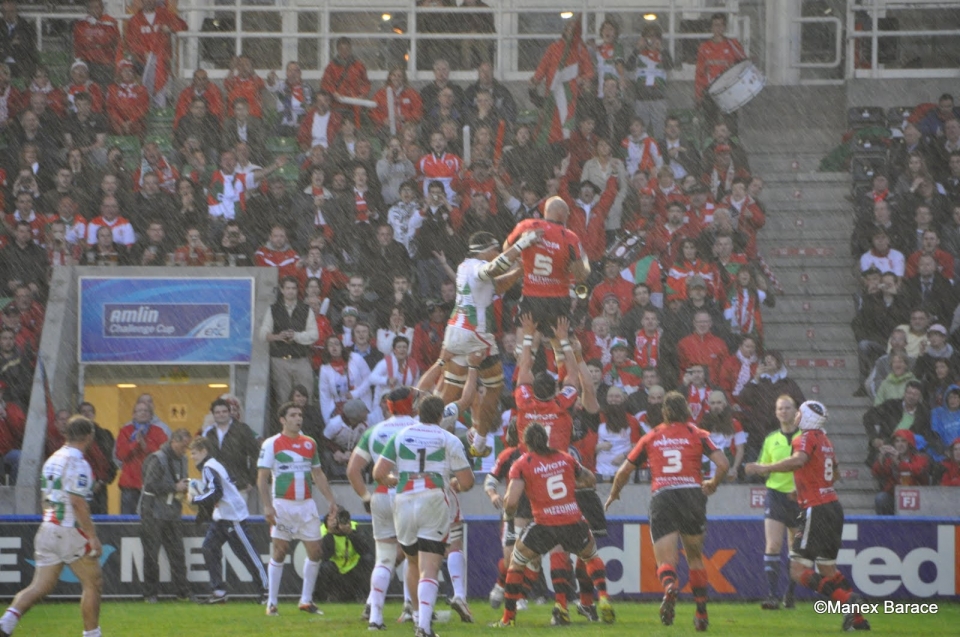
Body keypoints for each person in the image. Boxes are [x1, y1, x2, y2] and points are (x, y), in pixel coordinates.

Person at [606, 390, 728, 631]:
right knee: (695, 558)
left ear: (664, 412)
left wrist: (614, 493)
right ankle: (701, 613)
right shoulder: (698, 434)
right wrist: (713, 484)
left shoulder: (652, 436)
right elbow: (723, 464)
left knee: (665, 560)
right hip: (692, 495)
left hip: (664, 497)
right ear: (687, 411)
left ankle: (670, 586)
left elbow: (623, 471)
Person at [746, 402, 872, 632]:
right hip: (832, 506)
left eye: (799, 413)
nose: (796, 416)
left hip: (816, 508)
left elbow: (799, 460)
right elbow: (834, 474)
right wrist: (807, 487)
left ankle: (848, 601)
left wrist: (766, 468)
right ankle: (858, 620)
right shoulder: (825, 441)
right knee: (828, 570)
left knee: (797, 570)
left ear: (807, 418)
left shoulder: (805, 437)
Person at [491, 422, 614, 628]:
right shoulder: (566, 458)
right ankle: (602, 597)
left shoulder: (522, 463)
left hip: (544, 525)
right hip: (573, 521)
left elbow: (511, 502)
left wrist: (508, 516)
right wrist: (569, 484)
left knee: (517, 563)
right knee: (591, 556)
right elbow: (590, 479)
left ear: (526, 442)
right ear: (546, 439)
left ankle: (508, 619)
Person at [372, 395, 475, 637]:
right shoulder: (447, 438)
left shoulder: (400, 435)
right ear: (441, 416)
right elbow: (467, 481)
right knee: (430, 567)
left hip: (404, 499)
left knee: (412, 562)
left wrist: (394, 479)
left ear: (419, 413)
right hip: (433, 499)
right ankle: (424, 628)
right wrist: (455, 483)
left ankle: (418, 618)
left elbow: (378, 473)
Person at [0, 416, 102, 637]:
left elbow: (45, 496)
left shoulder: (52, 459)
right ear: (89, 436)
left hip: (48, 527)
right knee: (93, 583)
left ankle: (6, 623)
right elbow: (77, 502)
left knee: (40, 586)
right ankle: (92, 634)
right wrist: (92, 536)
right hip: (68, 528)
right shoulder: (78, 463)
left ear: (67, 434)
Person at [441, 230, 537, 455]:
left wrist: (519, 270)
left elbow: (496, 286)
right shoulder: (479, 266)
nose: (498, 253)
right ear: (485, 250)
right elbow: (493, 269)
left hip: (454, 333)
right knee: (494, 386)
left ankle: (428, 429)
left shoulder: (464, 267)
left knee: (450, 391)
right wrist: (522, 244)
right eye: (495, 249)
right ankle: (480, 439)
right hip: (475, 334)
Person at [257, 402, 338, 616]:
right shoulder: (272, 443)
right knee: (280, 551)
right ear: (282, 420)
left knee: (316, 551)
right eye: (292, 415)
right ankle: (272, 602)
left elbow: (317, 473)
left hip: (306, 506)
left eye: (299, 415)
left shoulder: (309, 443)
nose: (298, 418)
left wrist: (331, 500)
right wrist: (267, 506)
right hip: (282, 505)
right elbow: (262, 478)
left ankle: (306, 600)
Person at [189, 436, 268, 604]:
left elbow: (216, 492)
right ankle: (218, 592)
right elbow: (228, 483)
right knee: (209, 548)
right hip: (222, 517)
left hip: (233, 518)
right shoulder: (214, 464)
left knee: (248, 555)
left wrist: (195, 499)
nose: (192, 456)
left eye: (194, 453)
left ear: (204, 451)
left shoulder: (209, 467)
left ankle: (267, 590)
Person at [756, 395, 801, 610]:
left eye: (787, 408)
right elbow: (763, 466)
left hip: (799, 497)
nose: (783, 411)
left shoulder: (805, 437)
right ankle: (772, 595)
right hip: (776, 495)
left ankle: (790, 592)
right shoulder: (771, 439)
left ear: (796, 411)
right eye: (780, 408)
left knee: (796, 548)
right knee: (773, 544)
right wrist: (759, 469)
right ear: (775, 413)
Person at [139, 428, 192, 602]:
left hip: (172, 513)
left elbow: (181, 483)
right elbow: (149, 486)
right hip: (153, 513)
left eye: (187, 446)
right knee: (151, 555)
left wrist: (186, 492)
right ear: (173, 441)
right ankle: (150, 594)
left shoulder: (183, 459)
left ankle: (183, 592)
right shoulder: (157, 458)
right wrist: (174, 487)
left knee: (178, 554)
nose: (185, 450)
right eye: (183, 446)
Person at [260, 276, 319, 406]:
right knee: (283, 398)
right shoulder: (273, 309)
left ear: (297, 290)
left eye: (293, 288)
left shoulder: (306, 309)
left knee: (306, 396)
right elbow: (263, 334)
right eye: (288, 288)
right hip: (280, 360)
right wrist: (278, 337)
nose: (291, 291)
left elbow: (314, 335)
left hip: (301, 359)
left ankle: (307, 419)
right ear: (282, 290)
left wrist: (296, 336)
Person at [203, 398, 260, 505]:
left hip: (239, 485)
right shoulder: (210, 434)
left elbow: (255, 455)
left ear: (230, 412)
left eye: (224, 411)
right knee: (218, 515)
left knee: (238, 515)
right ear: (213, 414)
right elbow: (206, 459)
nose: (221, 415)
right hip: (216, 487)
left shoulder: (242, 430)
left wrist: (251, 480)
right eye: (217, 412)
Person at [695, 12, 746, 133]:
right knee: (710, 125)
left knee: (731, 124)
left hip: (729, 91)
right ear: (711, 27)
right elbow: (699, 73)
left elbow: (743, 64)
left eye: (721, 25)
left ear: (725, 27)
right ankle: (711, 144)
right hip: (710, 91)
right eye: (715, 25)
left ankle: (732, 143)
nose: (718, 28)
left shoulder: (732, 44)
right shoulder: (704, 47)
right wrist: (698, 94)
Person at [115, 402, 168, 514]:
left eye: (146, 411)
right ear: (133, 415)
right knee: (127, 520)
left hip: (151, 484)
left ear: (151, 415)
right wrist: (135, 443)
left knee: (150, 518)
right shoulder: (125, 431)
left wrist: (145, 446)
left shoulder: (158, 432)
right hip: (129, 484)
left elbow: (163, 455)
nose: (143, 413)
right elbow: (120, 455)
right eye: (139, 410)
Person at [316, 506, 373, 602]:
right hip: (335, 572)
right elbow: (325, 556)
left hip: (354, 571)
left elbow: (365, 550)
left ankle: (363, 595)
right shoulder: (323, 530)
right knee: (325, 566)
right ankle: (329, 595)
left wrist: (350, 533)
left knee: (368, 559)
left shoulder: (354, 526)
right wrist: (330, 533)